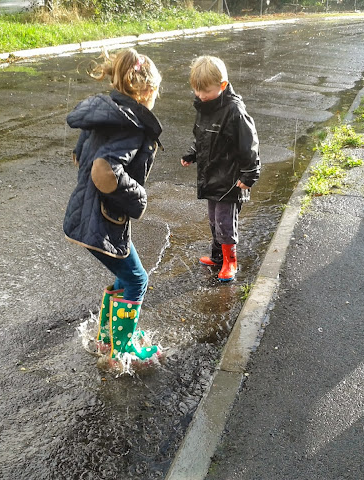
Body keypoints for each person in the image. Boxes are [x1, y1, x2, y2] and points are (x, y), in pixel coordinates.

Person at [63, 48, 162, 363]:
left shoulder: (103, 116)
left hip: (85, 213)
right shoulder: (131, 126)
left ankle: (107, 338)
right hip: (105, 219)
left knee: (124, 272)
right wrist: (137, 200)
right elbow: (104, 170)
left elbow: (81, 156)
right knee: (137, 279)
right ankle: (123, 347)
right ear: (146, 92)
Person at [180, 55, 260, 282]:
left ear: (222, 86)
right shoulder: (205, 106)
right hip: (211, 175)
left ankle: (230, 261)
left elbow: (249, 145)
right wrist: (193, 153)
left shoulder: (234, 111)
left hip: (230, 179)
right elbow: (202, 137)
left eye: (205, 91)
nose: (200, 96)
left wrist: (249, 174)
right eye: (197, 90)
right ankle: (217, 257)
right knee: (214, 220)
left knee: (225, 222)